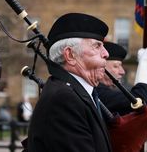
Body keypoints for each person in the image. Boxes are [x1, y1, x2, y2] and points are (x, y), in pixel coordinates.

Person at [27, 13, 112, 152]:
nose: (106, 53)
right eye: (97, 46)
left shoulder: (75, 93)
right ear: (70, 55)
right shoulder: (64, 100)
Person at [97, 41, 147, 115]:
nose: (122, 72)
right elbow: (139, 100)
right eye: (116, 66)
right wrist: (145, 64)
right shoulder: (98, 92)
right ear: (101, 67)